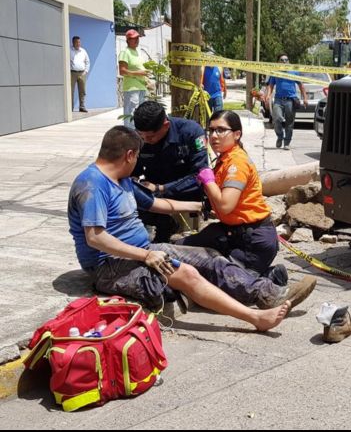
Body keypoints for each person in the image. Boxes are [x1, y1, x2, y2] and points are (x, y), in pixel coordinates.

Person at [67, 126, 292, 332]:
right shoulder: (93, 184)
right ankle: (256, 318)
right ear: (129, 155)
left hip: (143, 250)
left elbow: (155, 204)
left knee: (209, 257)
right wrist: (146, 255)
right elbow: (95, 238)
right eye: (137, 157)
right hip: (109, 265)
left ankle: (268, 294)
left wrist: (201, 207)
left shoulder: (122, 179)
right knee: (187, 273)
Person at [182, 111, 317, 300]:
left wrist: (208, 181)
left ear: (237, 134)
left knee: (217, 289)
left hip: (252, 241)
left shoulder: (236, 163)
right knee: (183, 251)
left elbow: (225, 206)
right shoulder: (224, 158)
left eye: (221, 130)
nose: (214, 136)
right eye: (211, 130)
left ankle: (270, 281)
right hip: (231, 232)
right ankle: (257, 274)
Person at [131, 101, 209, 243]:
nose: (145, 141)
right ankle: (162, 229)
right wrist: (135, 182)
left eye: (150, 137)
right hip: (153, 197)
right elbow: (132, 171)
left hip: (186, 194)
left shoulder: (191, 132)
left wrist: (161, 188)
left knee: (188, 242)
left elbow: (199, 176)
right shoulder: (139, 138)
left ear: (166, 125)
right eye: (142, 136)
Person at [265, 55, 308, 150]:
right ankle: (280, 136)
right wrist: (268, 95)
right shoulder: (275, 72)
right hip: (278, 100)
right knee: (277, 119)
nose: (284, 61)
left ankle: (287, 142)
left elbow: (301, 85)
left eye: (286, 60)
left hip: (290, 100)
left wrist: (305, 98)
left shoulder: (294, 71)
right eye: (282, 60)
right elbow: (271, 85)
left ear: (289, 61)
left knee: (289, 122)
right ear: (278, 62)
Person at [118, 30, 149, 128]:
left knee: (141, 113)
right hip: (132, 88)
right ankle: (129, 134)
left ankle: (138, 134)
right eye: (134, 38)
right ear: (128, 40)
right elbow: (122, 71)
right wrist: (139, 73)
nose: (136, 40)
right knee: (131, 113)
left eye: (137, 38)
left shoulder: (137, 52)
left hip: (141, 86)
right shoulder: (125, 52)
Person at [70, 36, 90, 113]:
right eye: (76, 42)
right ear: (73, 43)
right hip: (72, 73)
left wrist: (86, 71)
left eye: (79, 42)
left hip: (82, 73)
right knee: (70, 91)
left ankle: (82, 107)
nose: (78, 44)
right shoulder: (69, 50)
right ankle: (70, 108)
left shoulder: (83, 51)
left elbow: (87, 62)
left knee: (82, 91)